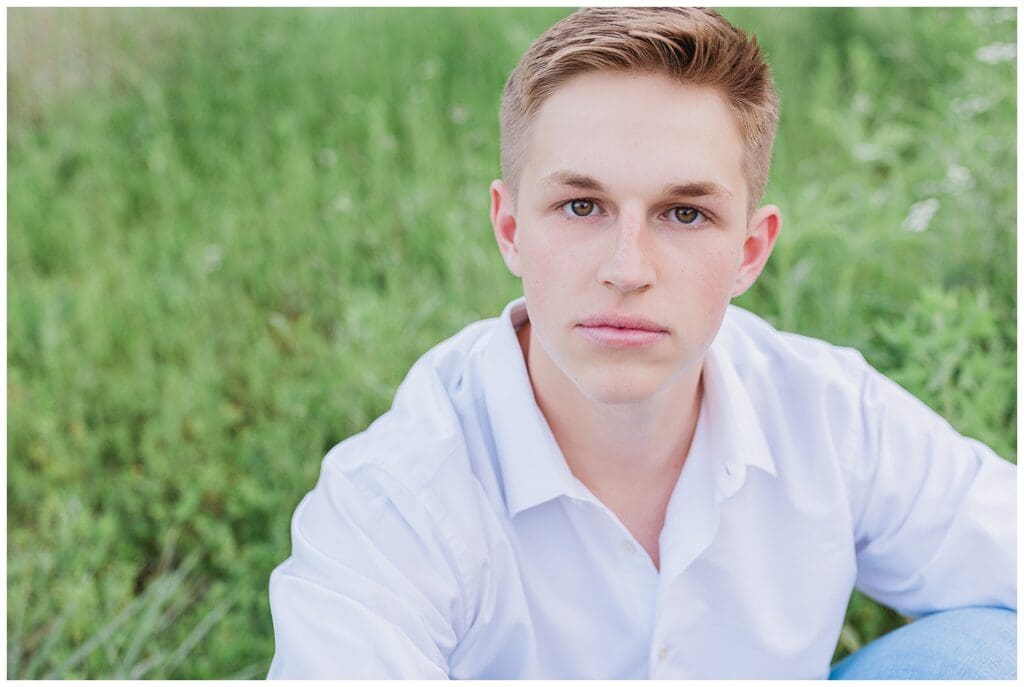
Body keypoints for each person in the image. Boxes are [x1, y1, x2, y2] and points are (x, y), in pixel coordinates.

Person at [266, 7, 1016, 679]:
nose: (627, 269)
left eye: (684, 214)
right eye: (581, 205)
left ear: (751, 251)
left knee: (987, 657)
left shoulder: (826, 412)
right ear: (510, 229)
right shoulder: (394, 500)